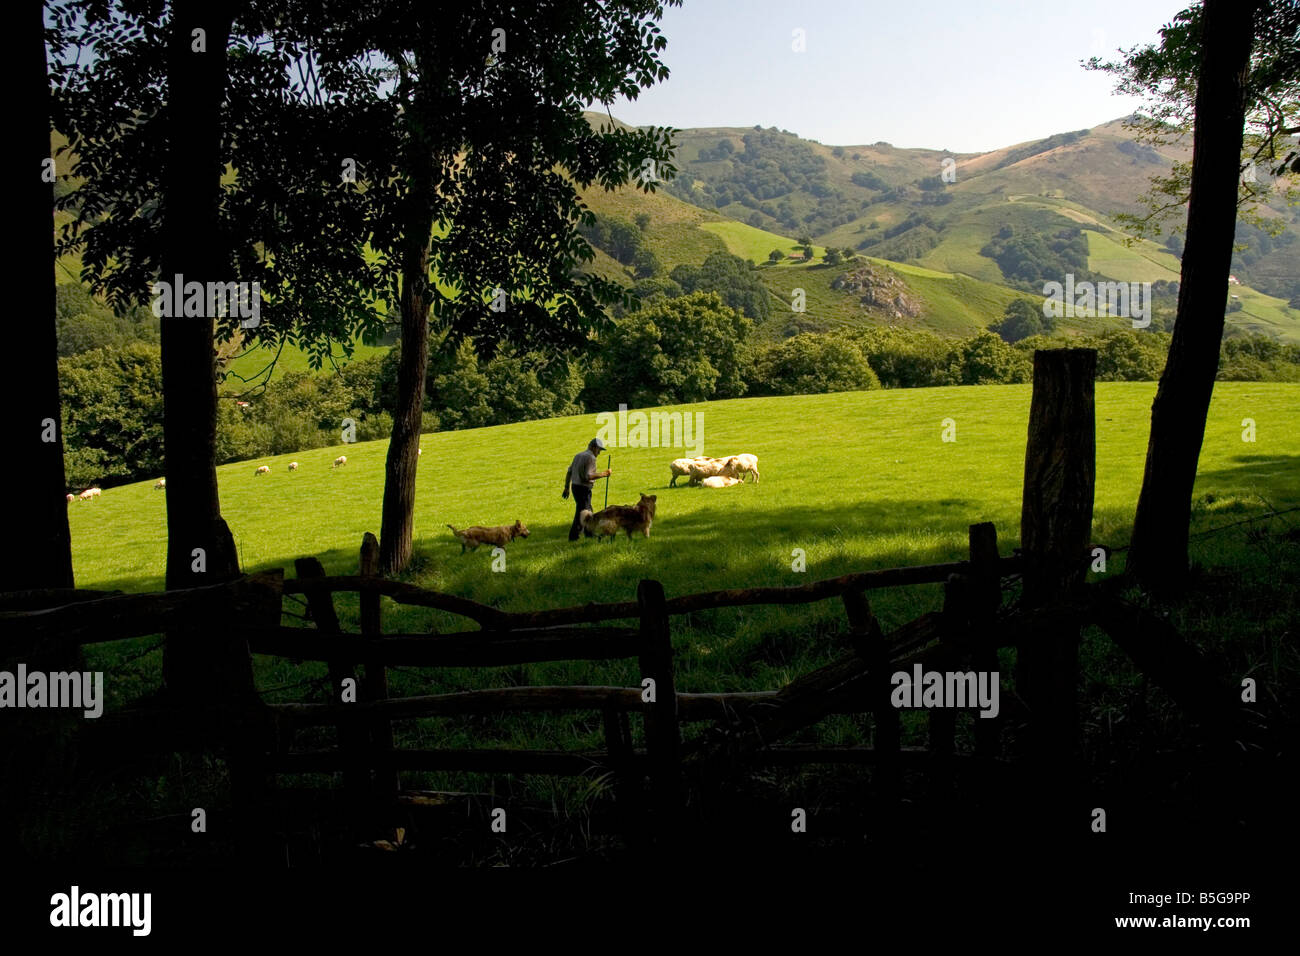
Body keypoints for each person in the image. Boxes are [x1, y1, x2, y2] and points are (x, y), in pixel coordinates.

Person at [562, 437, 612, 541]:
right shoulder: (590, 457)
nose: (599, 453)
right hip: (583, 489)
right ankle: (573, 537)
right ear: (593, 447)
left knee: (588, 511)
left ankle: (589, 534)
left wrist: (566, 487)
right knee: (582, 513)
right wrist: (604, 474)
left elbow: (569, 472)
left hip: (575, 487)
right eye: (599, 450)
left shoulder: (578, 455)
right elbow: (588, 476)